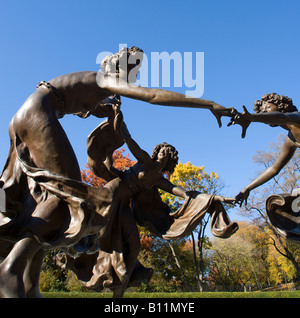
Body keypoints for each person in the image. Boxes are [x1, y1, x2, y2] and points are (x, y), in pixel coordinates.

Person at [0, 46, 233, 298]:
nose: (133, 76)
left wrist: (110, 110)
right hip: (38, 114)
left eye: (136, 71)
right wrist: (209, 104)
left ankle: (29, 283)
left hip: (25, 115)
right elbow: (153, 96)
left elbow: (84, 107)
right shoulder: (103, 79)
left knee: (47, 201)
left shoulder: (94, 84)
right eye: (131, 68)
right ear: (117, 65)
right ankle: (10, 270)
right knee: (71, 198)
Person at [59, 110, 238, 298]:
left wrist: (215, 198)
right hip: (111, 194)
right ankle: (71, 252)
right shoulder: (144, 159)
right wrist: (118, 117)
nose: (162, 155)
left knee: (134, 244)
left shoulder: (159, 180)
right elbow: (129, 140)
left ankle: (120, 285)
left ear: (170, 160)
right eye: (161, 151)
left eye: (167, 155)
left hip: (123, 205)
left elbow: (184, 193)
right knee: (99, 236)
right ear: (156, 152)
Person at [231, 93, 300, 242]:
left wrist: (253, 118)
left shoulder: (296, 117)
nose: (265, 112)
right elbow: (274, 169)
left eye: (268, 107)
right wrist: (247, 189)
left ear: (281, 106)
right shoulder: (291, 140)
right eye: (263, 112)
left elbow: (284, 118)